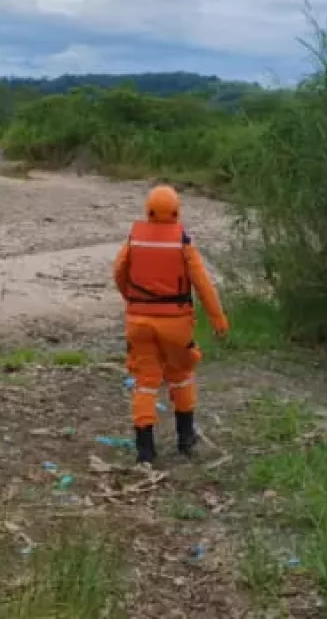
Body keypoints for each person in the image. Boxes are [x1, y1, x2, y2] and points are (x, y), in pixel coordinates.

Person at [112, 184, 229, 465]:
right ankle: (185, 440)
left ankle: (145, 451)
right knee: (181, 374)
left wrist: (131, 297)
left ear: (148, 210)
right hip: (175, 324)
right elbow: (202, 283)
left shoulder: (134, 239)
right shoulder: (183, 242)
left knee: (145, 380)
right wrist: (218, 319)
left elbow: (119, 271)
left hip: (139, 321)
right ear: (176, 211)